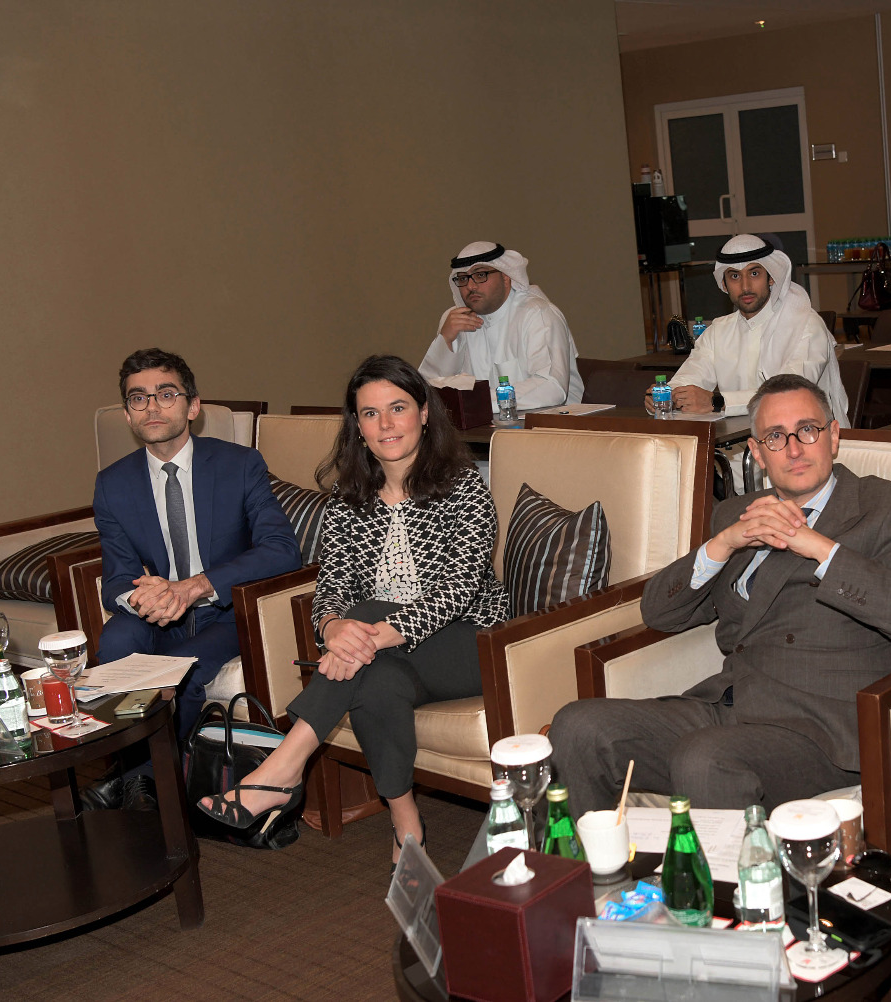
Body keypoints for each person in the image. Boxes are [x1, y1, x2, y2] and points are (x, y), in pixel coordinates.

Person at [548, 374, 891, 819]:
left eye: (808, 430)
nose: (795, 449)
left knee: (704, 760)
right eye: (776, 437)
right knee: (577, 726)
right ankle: (593, 881)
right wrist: (722, 544)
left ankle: (723, 889)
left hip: (821, 731)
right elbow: (660, 613)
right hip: (726, 707)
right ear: (757, 454)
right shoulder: (737, 515)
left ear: (834, 436)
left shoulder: (888, 506)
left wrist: (817, 546)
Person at [197, 355, 511, 861]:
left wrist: (365, 630)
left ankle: (283, 767)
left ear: (424, 413)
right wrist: (332, 625)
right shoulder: (348, 498)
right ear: (357, 426)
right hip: (390, 657)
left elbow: (458, 589)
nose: (386, 425)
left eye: (398, 408)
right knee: (377, 680)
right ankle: (406, 821)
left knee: (364, 621)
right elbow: (332, 583)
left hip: (468, 641)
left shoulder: (464, 488)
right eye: (370, 414)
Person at [85, 349, 300, 813]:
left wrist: (196, 586)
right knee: (116, 641)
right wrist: (146, 598)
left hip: (226, 610)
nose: (152, 407)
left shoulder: (240, 464)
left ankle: (139, 780)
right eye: (138, 398)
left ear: (192, 406)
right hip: (159, 612)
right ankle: (139, 773)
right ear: (127, 414)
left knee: (179, 665)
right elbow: (117, 576)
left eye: (166, 394)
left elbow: (282, 549)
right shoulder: (113, 483)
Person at [668, 234, 849, 423]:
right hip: (737, 445)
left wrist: (718, 402)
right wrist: (667, 396)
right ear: (724, 284)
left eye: (754, 273)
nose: (745, 287)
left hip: (803, 441)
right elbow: (687, 379)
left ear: (771, 277)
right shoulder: (718, 331)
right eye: (735, 276)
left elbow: (789, 393)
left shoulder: (806, 325)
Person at [418, 241, 583, 411]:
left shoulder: (537, 314)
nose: (470, 286)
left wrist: (476, 402)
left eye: (480, 275)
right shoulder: (455, 320)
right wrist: (445, 340)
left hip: (547, 427)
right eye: (462, 278)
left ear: (505, 277)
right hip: (480, 428)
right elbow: (428, 390)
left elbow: (552, 387)